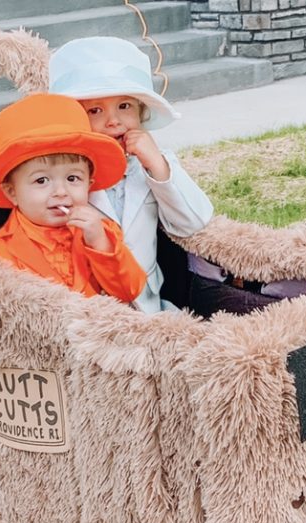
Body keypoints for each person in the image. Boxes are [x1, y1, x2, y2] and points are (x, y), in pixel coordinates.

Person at [49, 36, 214, 314]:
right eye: (95, 110)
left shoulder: (152, 164)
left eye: (124, 106)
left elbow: (193, 223)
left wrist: (158, 166)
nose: (113, 121)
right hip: (88, 310)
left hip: (149, 306)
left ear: (142, 113)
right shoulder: (59, 175)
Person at [0, 93, 146, 304]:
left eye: (73, 178)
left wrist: (100, 244)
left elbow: (129, 292)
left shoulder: (101, 231)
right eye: (41, 180)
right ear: (12, 193)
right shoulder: (4, 249)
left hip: (101, 331)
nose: (61, 191)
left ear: (89, 184)